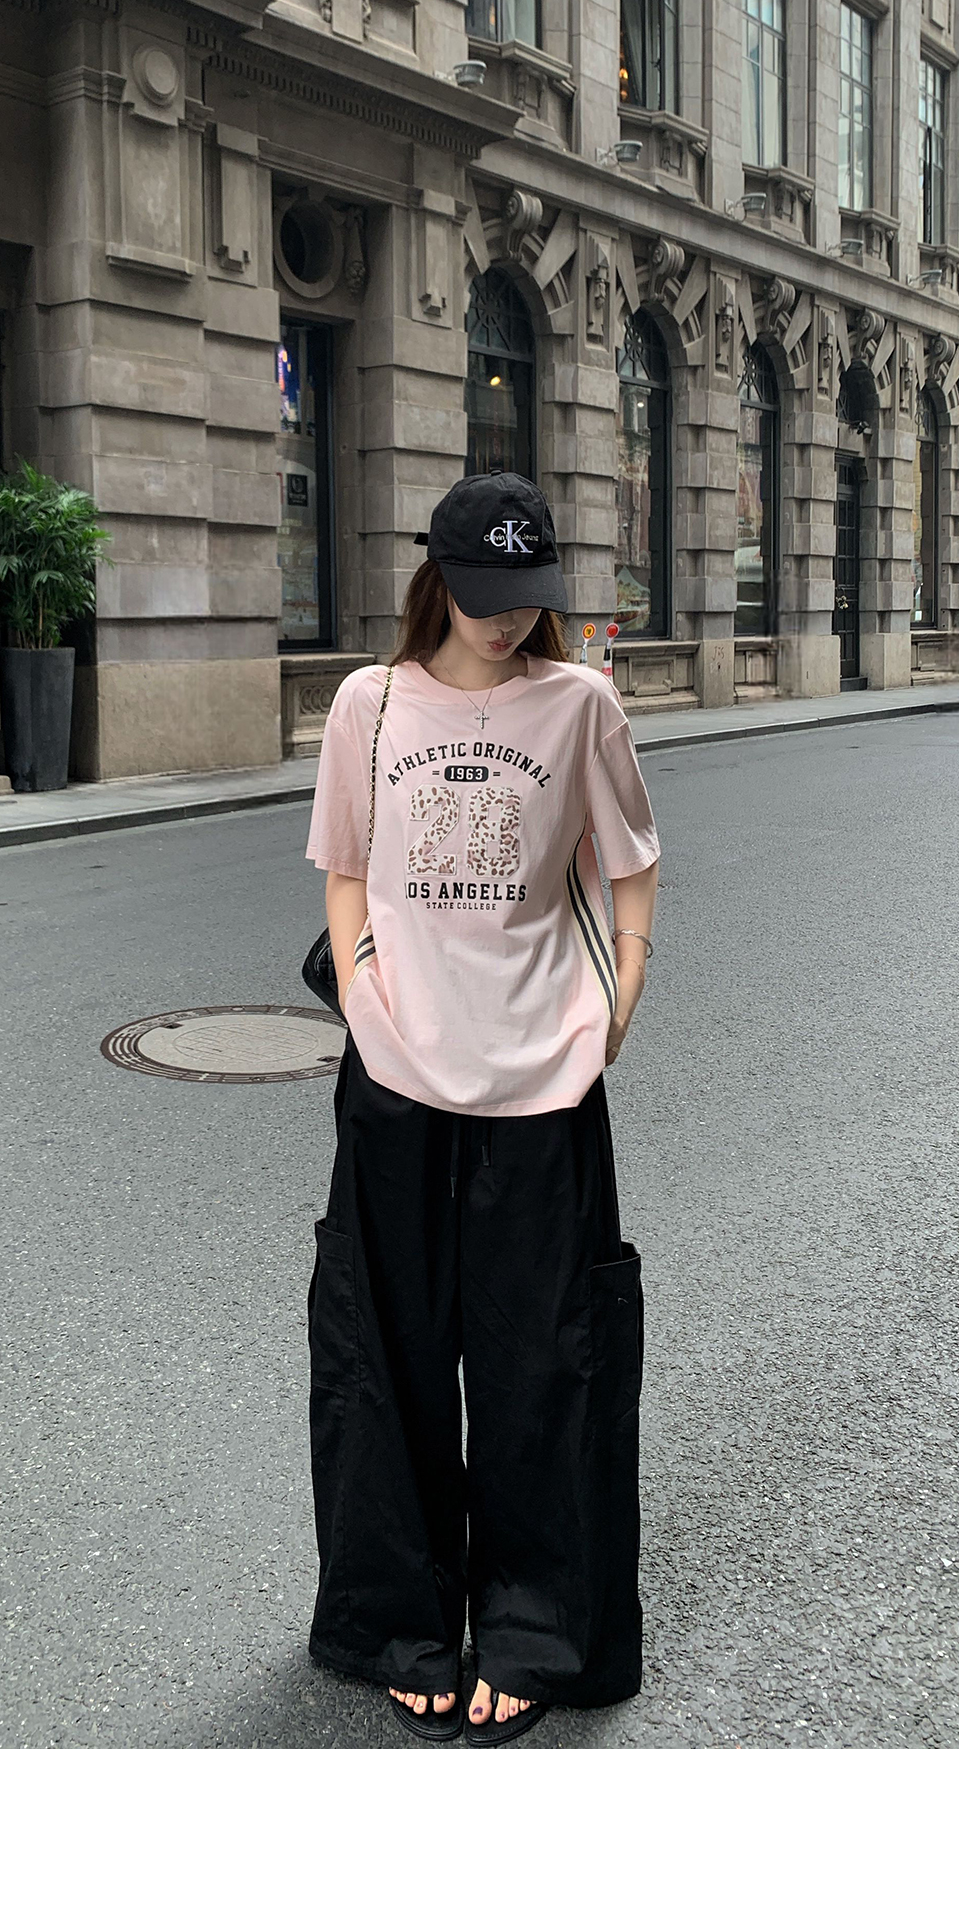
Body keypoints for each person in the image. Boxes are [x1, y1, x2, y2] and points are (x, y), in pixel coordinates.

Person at [303, 471, 660, 1746]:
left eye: (527, 597)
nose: (508, 620)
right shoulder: (369, 703)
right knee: (384, 1346)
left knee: (546, 1356)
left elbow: (631, 862)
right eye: (485, 595)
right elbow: (347, 866)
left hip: (543, 1072)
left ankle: (536, 1629)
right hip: (396, 1068)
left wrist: (620, 994)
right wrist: (363, 993)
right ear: (437, 580)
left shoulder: (581, 705)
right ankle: (400, 1621)